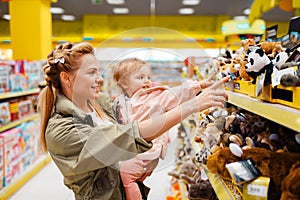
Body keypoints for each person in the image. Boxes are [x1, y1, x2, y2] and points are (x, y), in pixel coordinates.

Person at [38, 42, 229, 200]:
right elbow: (127, 135)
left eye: (98, 72)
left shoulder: (99, 103)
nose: (100, 79)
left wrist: (191, 89)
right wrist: (190, 106)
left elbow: (146, 112)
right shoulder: (61, 130)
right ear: (67, 78)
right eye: (92, 73)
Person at [113, 58, 216, 200]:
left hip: (148, 149)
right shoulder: (122, 102)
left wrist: (198, 85)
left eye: (148, 77)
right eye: (140, 77)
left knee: (126, 175)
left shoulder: (153, 97)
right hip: (136, 148)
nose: (147, 81)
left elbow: (175, 94)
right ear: (124, 83)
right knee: (129, 177)